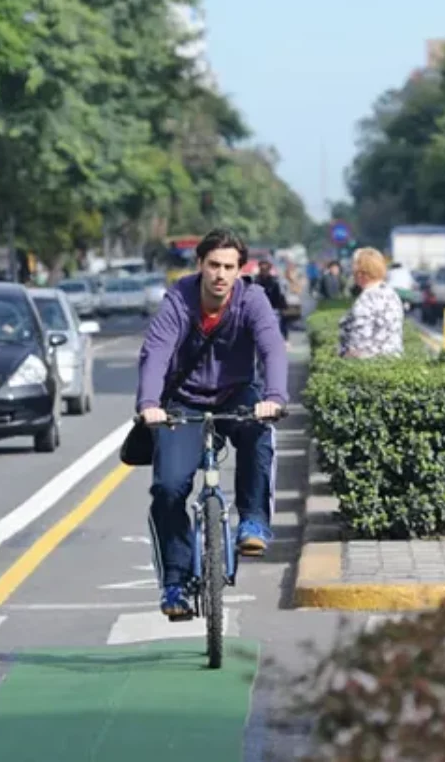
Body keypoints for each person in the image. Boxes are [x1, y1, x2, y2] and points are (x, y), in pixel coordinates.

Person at [136, 228, 288, 619]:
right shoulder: (178, 301)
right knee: (168, 487)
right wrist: (150, 403)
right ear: (200, 265)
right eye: (214, 265)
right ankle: (174, 582)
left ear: (241, 269)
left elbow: (272, 349)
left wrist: (274, 398)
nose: (221, 274)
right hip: (182, 402)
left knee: (259, 433)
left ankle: (253, 522)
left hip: (236, 395)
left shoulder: (253, 300)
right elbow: (155, 353)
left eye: (229, 267)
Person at [338, 248, 404, 358]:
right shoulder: (391, 293)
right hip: (392, 360)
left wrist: (345, 356)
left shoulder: (367, 299)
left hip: (369, 364)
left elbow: (359, 345)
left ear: (361, 273)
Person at [254, 255, 290, 340]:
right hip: (259, 311)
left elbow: (280, 295)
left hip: (273, 309)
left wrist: (283, 307)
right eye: (262, 266)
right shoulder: (255, 281)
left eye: (266, 266)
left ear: (269, 268)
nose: (264, 268)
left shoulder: (275, 281)